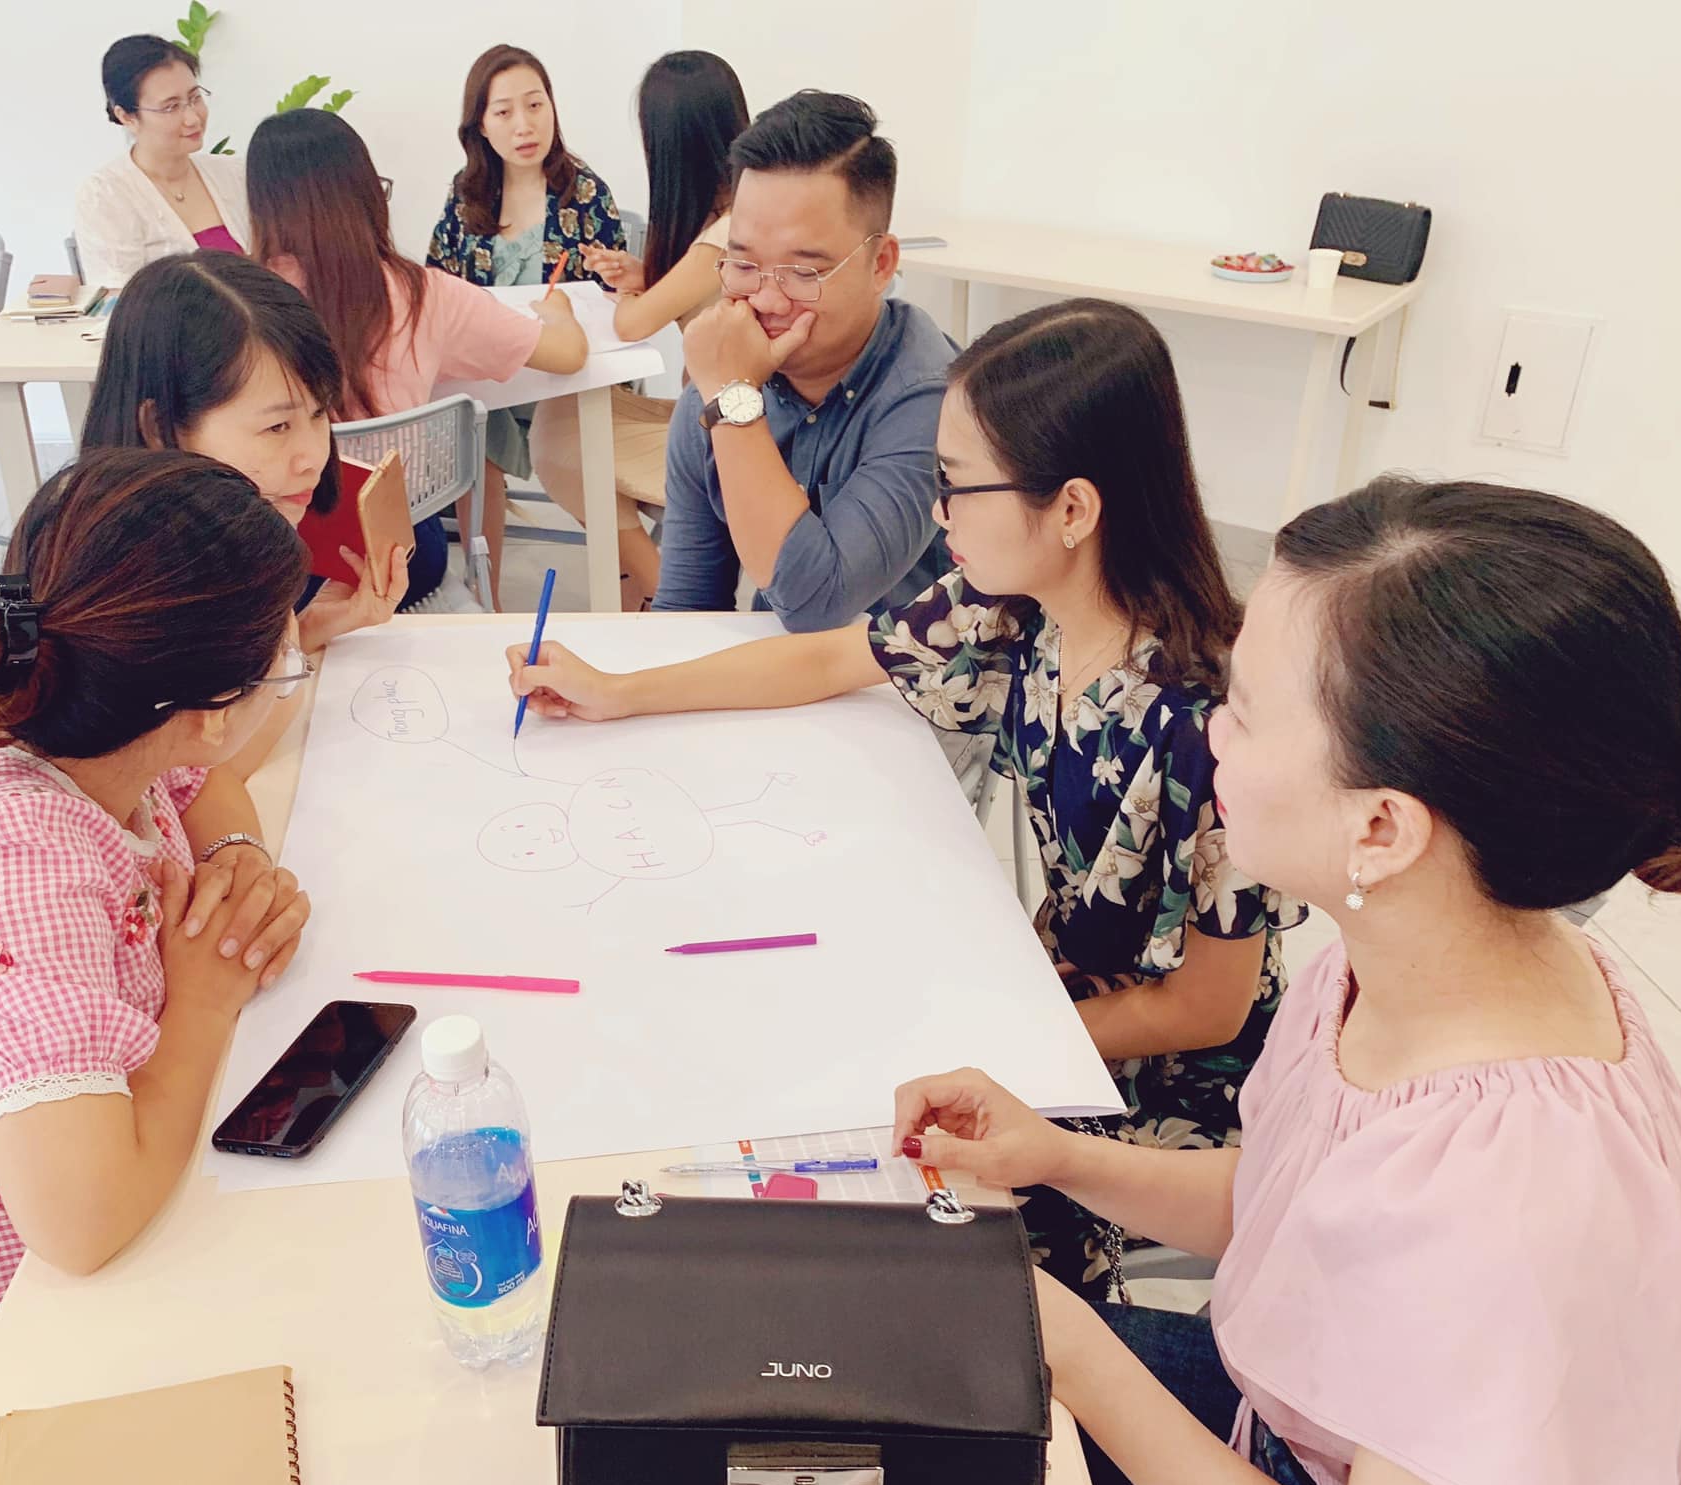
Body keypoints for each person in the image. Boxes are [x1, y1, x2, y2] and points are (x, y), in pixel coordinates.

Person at [889, 478, 1681, 1485]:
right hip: (1286, 1424)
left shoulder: (1518, 1208)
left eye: (1247, 712)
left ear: (1380, 830)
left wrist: (1076, 1358)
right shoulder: (1404, 957)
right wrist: (1056, 1156)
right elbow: (1295, 1206)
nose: (1212, 734)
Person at [509, 299, 1301, 1295]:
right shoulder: (1017, 605)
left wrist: (1007, 1037)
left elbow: (1207, 1008)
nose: (938, 513)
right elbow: (834, 657)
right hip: (1046, 992)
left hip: (1160, 1078)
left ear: (1071, 509)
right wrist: (620, 692)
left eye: (957, 485)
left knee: (920, 1231)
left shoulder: (1209, 725)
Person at [0, 449, 318, 1485]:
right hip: (6, 1330)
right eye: (281, 654)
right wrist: (204, 996)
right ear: (209, 702)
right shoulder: (26, 872)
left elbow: (204, 778)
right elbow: (80, 1227)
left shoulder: (49, 693)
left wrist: (235, 859)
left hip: (79, 1167)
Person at [246, 107, 588, 604]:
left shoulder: (241, 304)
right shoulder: (424, 293)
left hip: (277, 567)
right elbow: (568, 355)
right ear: (365, 193)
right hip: (399, 559)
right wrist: (558, 314)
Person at [650, 90, 956, 634]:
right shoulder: (719, 392)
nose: (767, 301)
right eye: (744, 265)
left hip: (915, 678)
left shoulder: (934, 398)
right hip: (779, 673)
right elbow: (687, 608)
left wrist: (733, 402)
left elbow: (818, 604)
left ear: (881, 263)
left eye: (803, 272)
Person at [79, 250, 407, 656]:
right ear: (160, 428)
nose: (313, 459)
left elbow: (242, 676)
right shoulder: (139, 599)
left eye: (319, 412)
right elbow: (223, 691)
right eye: (276, 427)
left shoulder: (234, 536)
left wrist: (314, 627)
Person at [528, 49, 751, 609]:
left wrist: (628, 294)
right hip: (719, 415)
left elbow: (632, 324)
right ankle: (646, 595)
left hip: (728, 433)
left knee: (561, 443)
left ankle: (676, 603)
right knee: (567, 422)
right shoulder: (736, 212)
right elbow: (699, 289)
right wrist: (646, 275)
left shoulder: (723, 231)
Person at [426, 44, 625, 610]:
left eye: (536, 105)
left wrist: (616, 276)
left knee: (483, 420)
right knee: (473, 418)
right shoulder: (466, 196)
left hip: (565, 372)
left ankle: (622, 575)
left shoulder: (585, 193)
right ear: (480, 126)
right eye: (504, 111)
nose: (524, 125)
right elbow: (438, 286)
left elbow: (614, 299)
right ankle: (485, 593)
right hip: (495, 369)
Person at [75, 34, 250, 289]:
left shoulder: (234, 174)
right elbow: (120, 299)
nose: (192, 118)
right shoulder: (105, 196)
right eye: (171, 107)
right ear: (126, 116)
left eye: (195, 98)